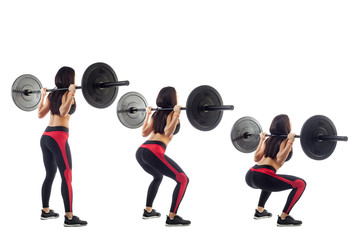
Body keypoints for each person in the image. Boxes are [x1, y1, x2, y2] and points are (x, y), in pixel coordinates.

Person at [38, 66, 87, 227]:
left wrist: (43, 96)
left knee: (50, 174)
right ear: (70, 79)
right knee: (67, 175)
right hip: (58, 137)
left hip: (46, 137)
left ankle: (45, 211)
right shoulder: (68, 94)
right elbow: (63, 111)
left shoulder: (52, 95)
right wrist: (72, 93)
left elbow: (40, 114)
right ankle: (69, 217)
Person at [135, 87, 191, 227]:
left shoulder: (157, 114)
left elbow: (144, 133)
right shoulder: (172, 113)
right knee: (183, 179)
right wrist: (177, 115)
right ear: (172, 98)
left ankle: (148, 210)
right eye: (176, 94)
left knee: (158, 176)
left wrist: (148, 115)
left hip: (142, 151)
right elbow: (167, 132)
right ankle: (172, 217)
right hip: (154, 151)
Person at [245, 114, 306, 227]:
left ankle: (260, 211)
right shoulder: (285, 141)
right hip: (263, 177)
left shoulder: (269, 140)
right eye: (290, 122)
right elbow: (280, 158)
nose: (291, 124)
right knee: (301, 184)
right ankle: (284, 217)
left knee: (272, 178)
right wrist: (290, 142)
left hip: (251, 174)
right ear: (286, 125)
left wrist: (262, 139)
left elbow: (256, 158)